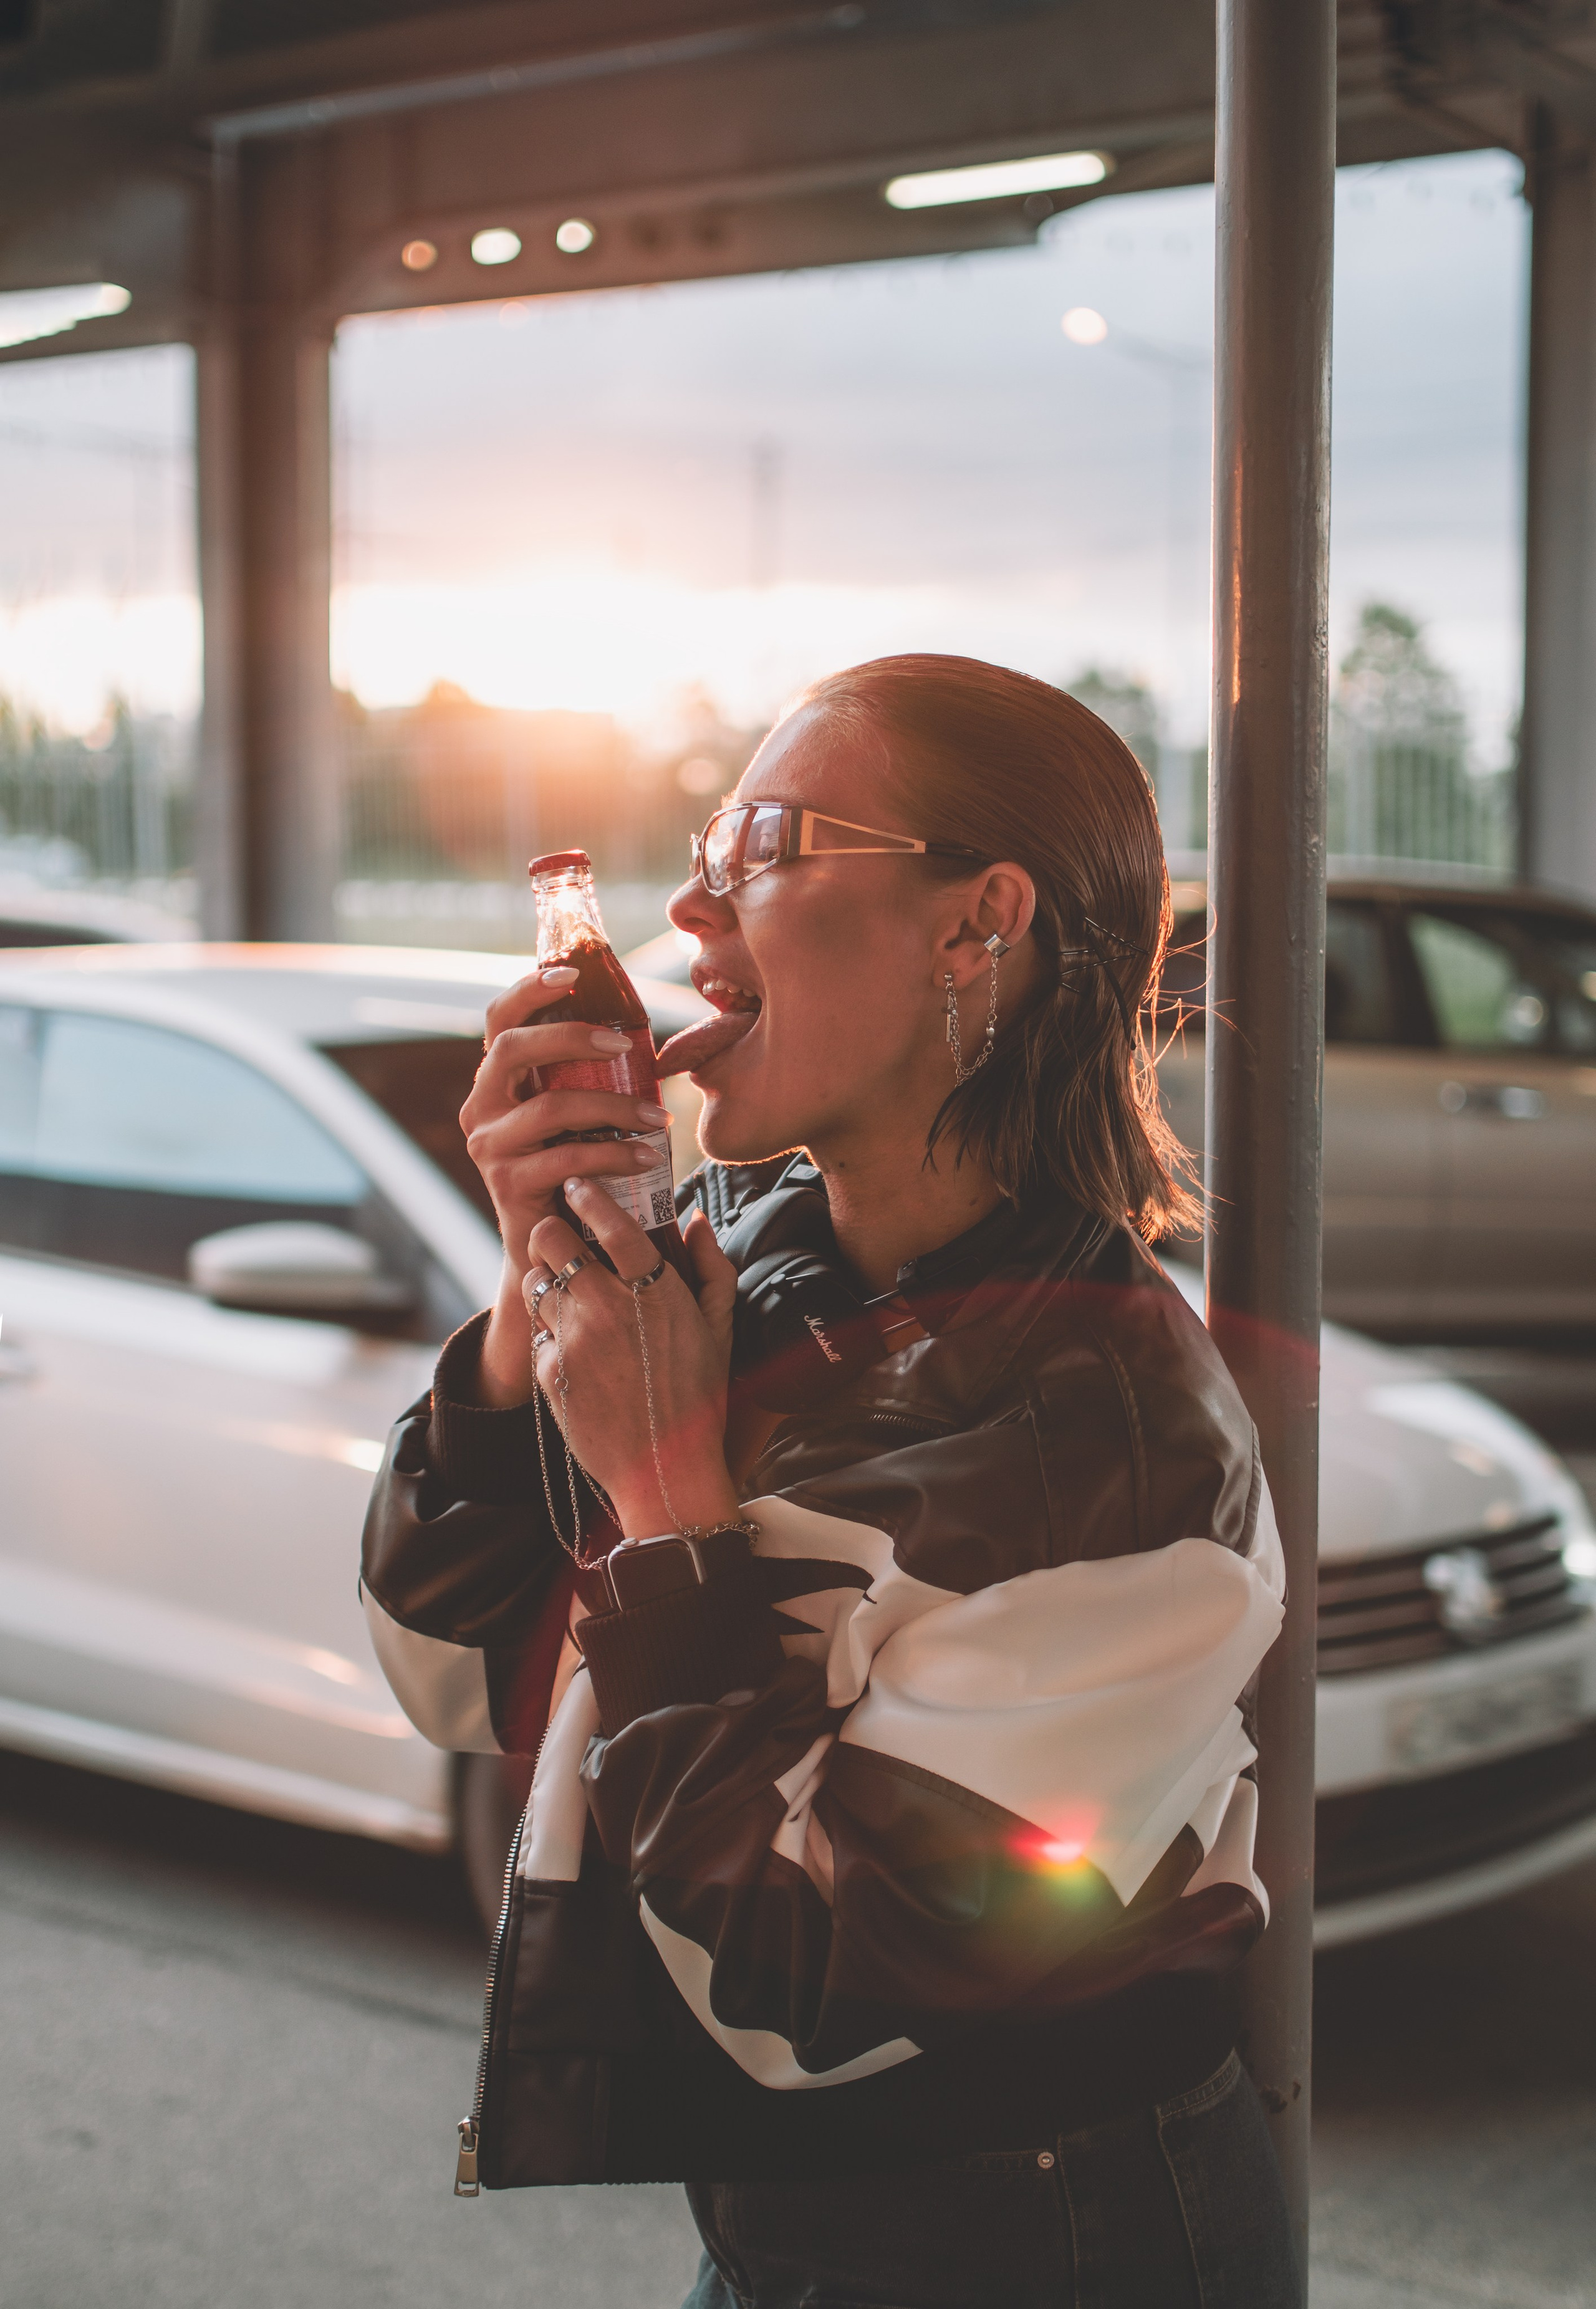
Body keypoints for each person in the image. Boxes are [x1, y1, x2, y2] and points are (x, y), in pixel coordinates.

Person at [360, 654, 1298, 2308]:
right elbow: (454, 1689)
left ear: (973, 924)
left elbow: (822, 1995)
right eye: (710, 839)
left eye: (769, 840)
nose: (690, 904)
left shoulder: (1117, 1442)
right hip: (777, 2224)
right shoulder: (739, 1261)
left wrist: (666, 1496)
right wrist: (534, 1308)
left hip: (1039, 2234)